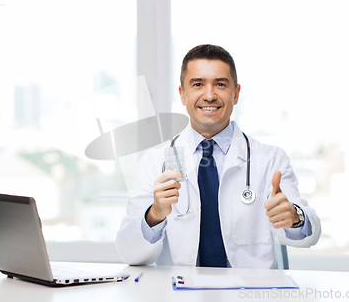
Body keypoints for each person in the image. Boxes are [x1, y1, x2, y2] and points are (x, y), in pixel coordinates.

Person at [115, 44, 321, 269]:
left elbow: (309, 235)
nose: (210, 95)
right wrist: (154, 214)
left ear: (236, 94)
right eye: (198, 84)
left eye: (220, 84)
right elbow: (130, 254)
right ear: (183, 95)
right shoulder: (155, 162)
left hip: (249, 293)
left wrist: (294, 217)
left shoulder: (271, 160)